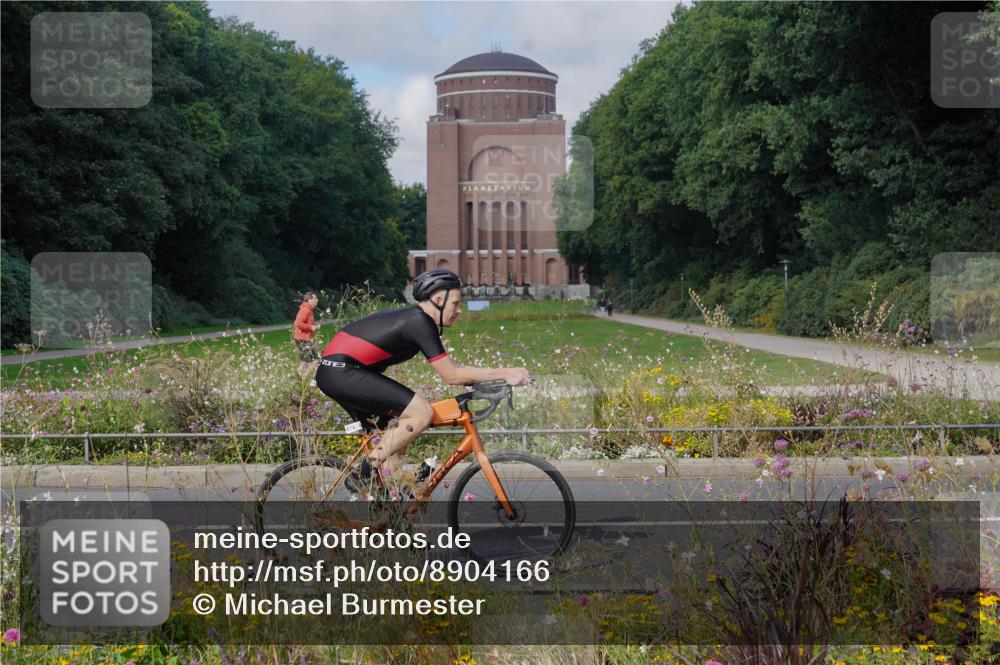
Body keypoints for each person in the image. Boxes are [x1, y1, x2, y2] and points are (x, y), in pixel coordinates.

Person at [315, 268, 531, 497]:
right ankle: (364, 473)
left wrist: (483, 381)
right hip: (341, 372)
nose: (459, 310)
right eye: (455, 304)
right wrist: (505, 372)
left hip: (341, 372)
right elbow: (452, 375)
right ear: (438, 300)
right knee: (421, 413)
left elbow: (455, 371)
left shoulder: (416, 319)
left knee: (397, 443)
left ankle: (384, 506)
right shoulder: (418, 322)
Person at [293, 292, 321, 376]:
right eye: (315, 298)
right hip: (303, 339)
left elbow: (307, 323)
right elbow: (297, 323)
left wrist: (315, 325)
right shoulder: (305, 310)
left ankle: (298, 379)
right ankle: (304, 379)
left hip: (303, 339)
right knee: (315, 361)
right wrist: (310, 327)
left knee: (304, 361)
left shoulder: (309, 310)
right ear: (309, 300)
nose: (317, 300)